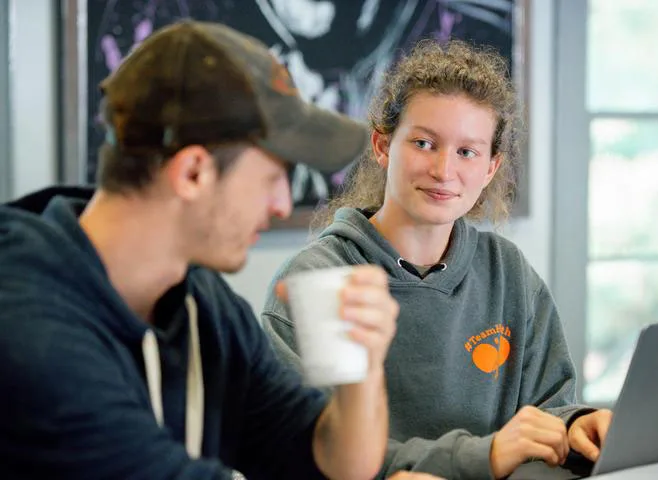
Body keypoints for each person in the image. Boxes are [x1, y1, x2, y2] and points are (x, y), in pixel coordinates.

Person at [0, 20, 407, 480]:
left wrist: (361, 368)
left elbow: (331, 462)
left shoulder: (200, 304)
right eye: (274, 177)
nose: (282, 205)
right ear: (193, 172)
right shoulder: (28, 330)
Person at [262, 39, 613, 479]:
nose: (444, 170)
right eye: (425, 144)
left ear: (490, 168)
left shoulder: (509, 273)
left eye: (467, 152)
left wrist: (577, 426)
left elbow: (548, 410)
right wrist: (480, 457)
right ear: (382, 146)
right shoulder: (321, 281)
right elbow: (320, 459)